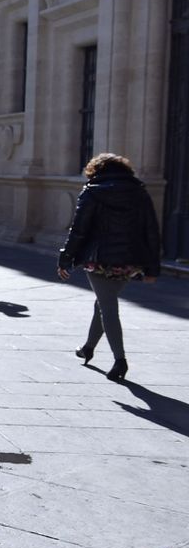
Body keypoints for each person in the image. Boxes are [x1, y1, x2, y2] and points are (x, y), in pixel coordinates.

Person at [58, 152, 161, 382]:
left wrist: (66, 258)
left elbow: (79, 230)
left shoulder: (92, 192)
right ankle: (87, 348)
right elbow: (151, 231)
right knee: (103, 302)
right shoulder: (140, 193)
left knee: (107, 305)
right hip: (130, 260)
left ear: (96, 170)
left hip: (99, 259)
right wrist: (152, 268)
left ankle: (119, 360)